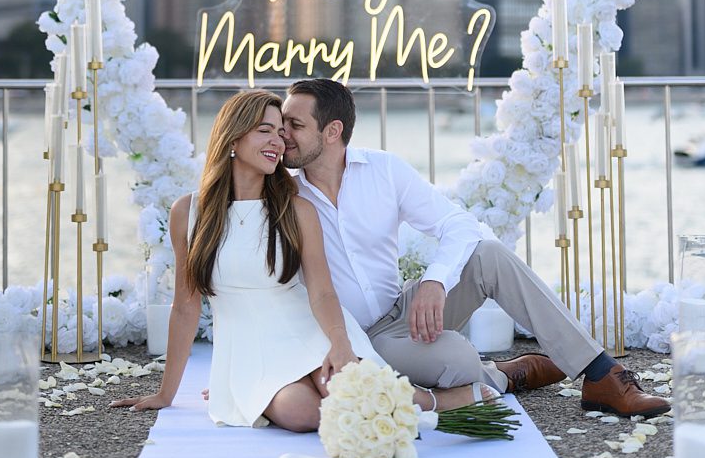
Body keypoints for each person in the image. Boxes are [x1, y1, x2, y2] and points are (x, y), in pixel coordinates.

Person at [280, 78, 671, 420]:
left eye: (294, 125)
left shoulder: (384, 170)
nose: (283, 134)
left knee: (489, 255)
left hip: (404, 311)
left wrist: (435, 281)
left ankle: (600, 374)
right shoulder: (282, 193)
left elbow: (458, 224)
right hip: (360, 340)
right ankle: (504, 374)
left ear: (332, 131)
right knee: (460, 360)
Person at [110, 90, 494, 429]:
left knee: (343, 388)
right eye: (265, 130)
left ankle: (435, 401)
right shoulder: (188, 212)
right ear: (233, 137)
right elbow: (185, 306)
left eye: (282, 132)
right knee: (302, 414)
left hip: (309, 329)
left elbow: (323, 292)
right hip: (249, 347)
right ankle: (418, 396)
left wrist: (340, 343)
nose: (279, 141)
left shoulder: (296, 209)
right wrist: (166, 394)